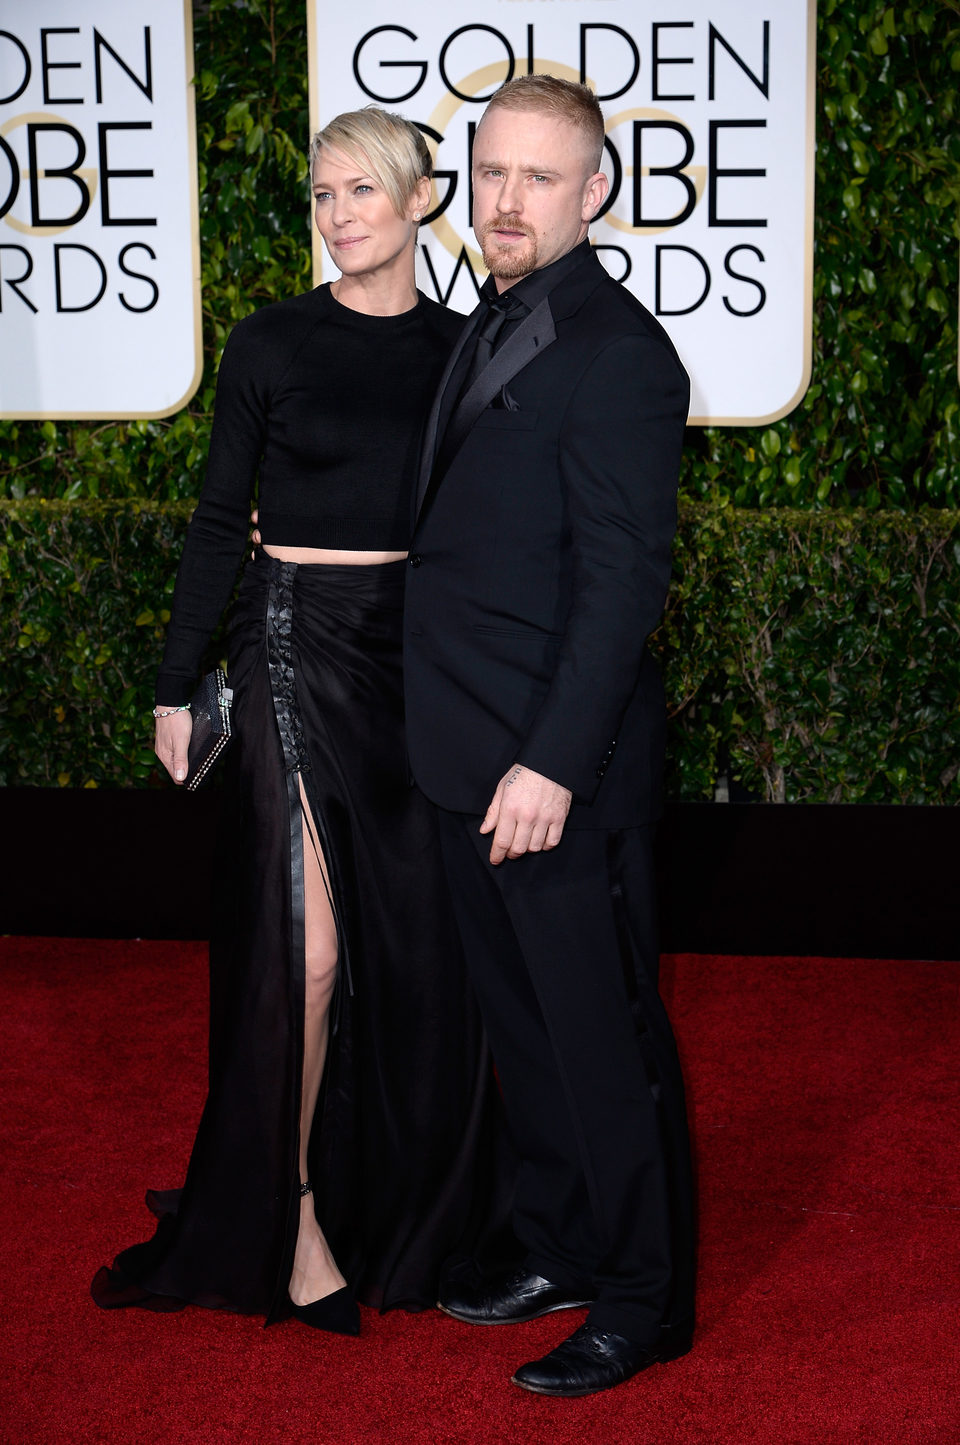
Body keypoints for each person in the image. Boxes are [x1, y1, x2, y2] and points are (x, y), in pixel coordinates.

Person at [92, 107, 508, 1335]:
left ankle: (395, 1193)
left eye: (360, 193)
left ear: (420, 200)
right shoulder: (269, 341)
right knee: (310, 953)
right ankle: (294, 1205)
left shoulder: (465, 349)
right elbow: (223, 519)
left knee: (412, 958)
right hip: (284, 642)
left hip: (410, 659)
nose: (337, 217)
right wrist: (176, 684)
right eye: (323, 196)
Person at [403, 75, 695, 1397]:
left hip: (551, 772)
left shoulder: (623, 352)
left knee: (600, 1036)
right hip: (467, 753)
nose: (506, 201)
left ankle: (645, 1296)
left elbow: (624, 578)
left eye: (538, 178)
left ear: (597, 194)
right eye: (491, 172)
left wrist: (553, 762)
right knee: (525, 1030)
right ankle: (565, 1240)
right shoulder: (491, 319)